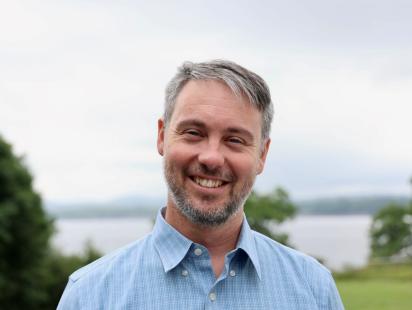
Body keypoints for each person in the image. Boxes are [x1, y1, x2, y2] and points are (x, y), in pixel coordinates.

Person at [58, 60, 344, 309]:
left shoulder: (314, 290)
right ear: (161, 136)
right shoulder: (90, 295)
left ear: (262, 154)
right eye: (194, 132)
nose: (211, 158)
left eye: (235, 140)